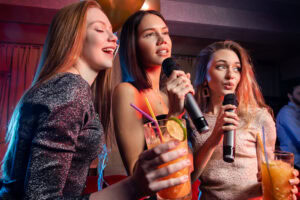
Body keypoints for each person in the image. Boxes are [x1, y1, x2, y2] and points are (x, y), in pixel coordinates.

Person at [0, 1, 190, 199]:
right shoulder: (70, 88)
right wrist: (133, 186)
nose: (113, 38)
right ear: (73, 38)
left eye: (112, 31)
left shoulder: (67, 87)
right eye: (100, 29)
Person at [190, 40, 299, 199]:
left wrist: (282, 184)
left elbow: (266, 172)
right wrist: (214, 137)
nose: (230, 75)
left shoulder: (258, 117)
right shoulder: (193, 120)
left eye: (236, 68)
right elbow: (188, 178)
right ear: (204, 75)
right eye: (221, 66)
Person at [112, 10, 194, 176]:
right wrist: (175, 115)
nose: (162, 40)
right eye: (150, 34)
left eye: (165, 32)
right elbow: (135, 172)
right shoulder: (128, 92)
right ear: (133, 45)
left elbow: (186, 165)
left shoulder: (167, 97)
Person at [276, 79, 300, 171]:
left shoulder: (297, 112)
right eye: (299, 93)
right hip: (293, 164)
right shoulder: (287, 112)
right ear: (290, 96)